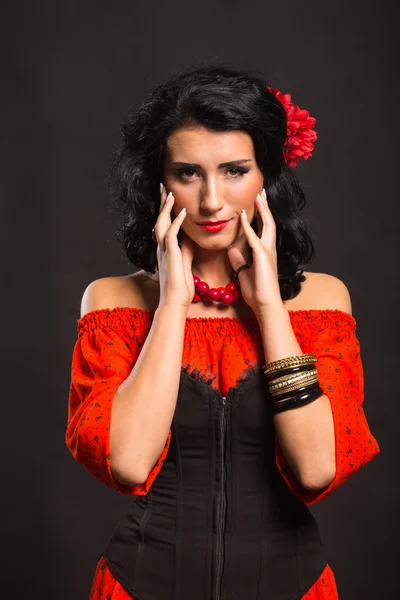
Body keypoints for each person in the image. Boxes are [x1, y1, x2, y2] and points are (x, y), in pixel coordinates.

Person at [65, 64, 381, 600]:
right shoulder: (113, 302)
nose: (212, 200)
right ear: (159, 184)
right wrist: (171, 303)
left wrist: (268, 308)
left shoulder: (322, 302)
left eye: (234, 170)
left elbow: (315, 471)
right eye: (187, 173)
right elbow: (128, 461)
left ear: (267, 178)